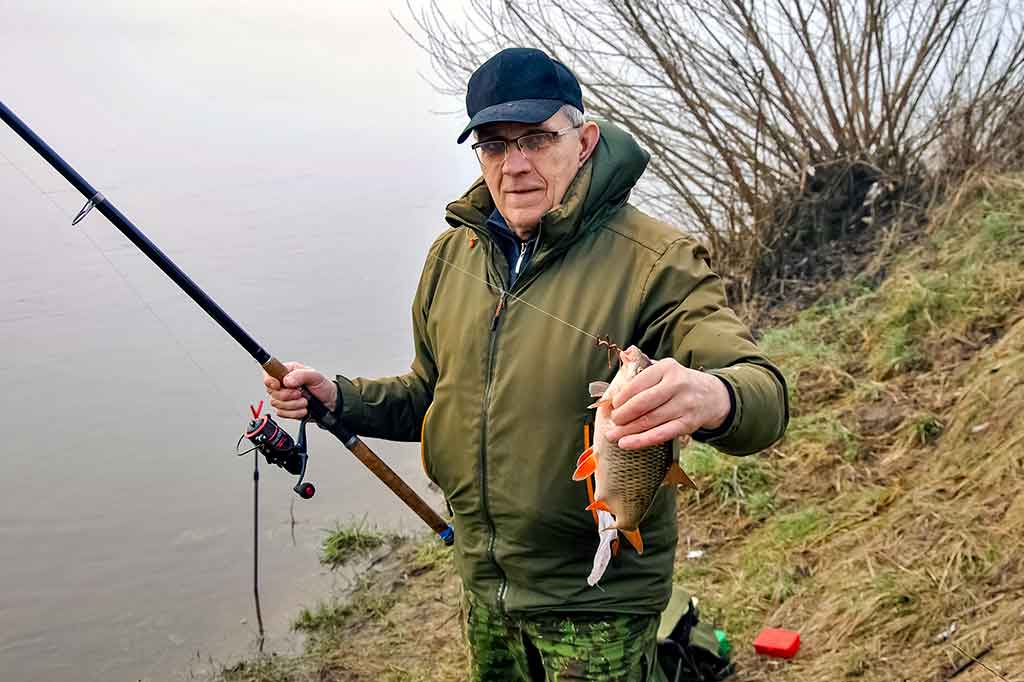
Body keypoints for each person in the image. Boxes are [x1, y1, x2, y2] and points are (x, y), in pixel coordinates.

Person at [265, 47, 788, 681]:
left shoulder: (659, 260)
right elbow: (433, 396)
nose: (515, 165)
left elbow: (763, 394)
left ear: (585, 141)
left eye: (537, 139)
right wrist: (340, 399)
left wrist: (714, 396)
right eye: (493, 145)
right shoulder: (450, 258)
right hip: (485, 589)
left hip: (599, 605)